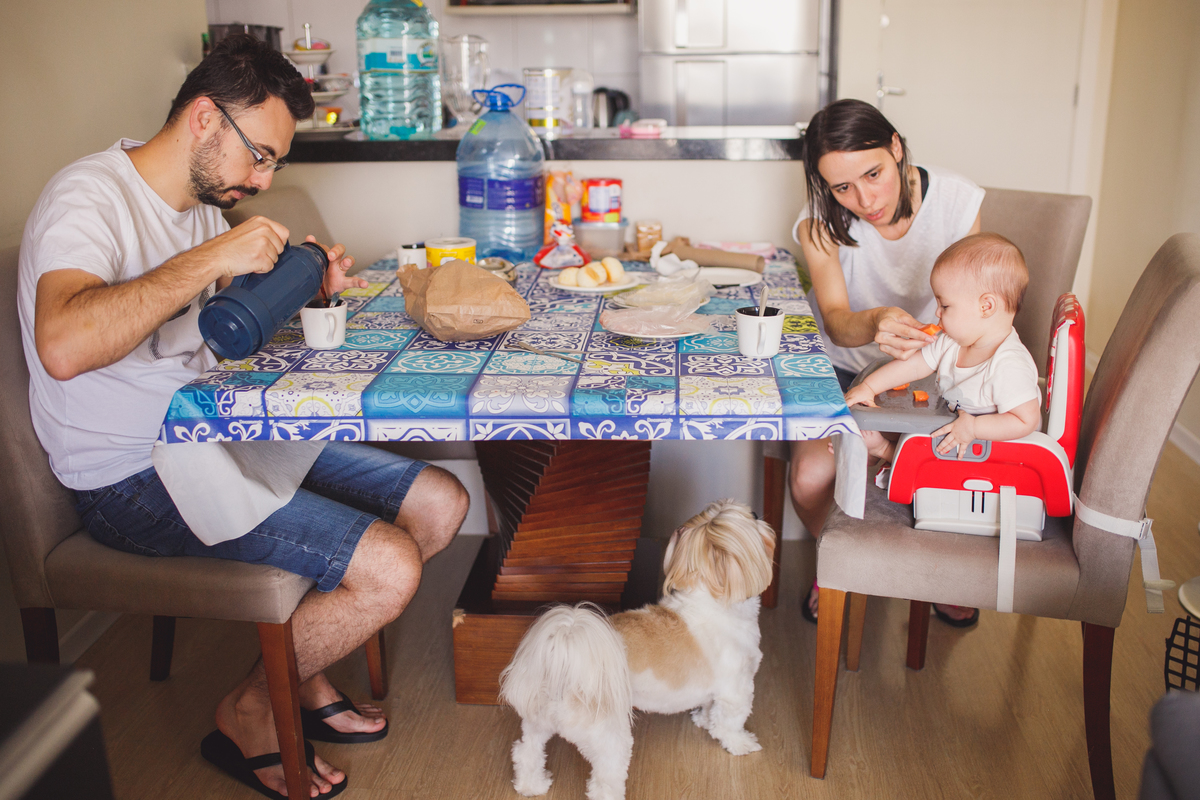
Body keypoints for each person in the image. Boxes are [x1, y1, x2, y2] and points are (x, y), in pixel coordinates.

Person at [17, 35, 469, 799]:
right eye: (258, 156)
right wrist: (210, 259)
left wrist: (306, 290)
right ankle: (254, 707)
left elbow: (213, 336)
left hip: (216, 434)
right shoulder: (87, 198)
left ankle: (299, 673)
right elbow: (62, 343)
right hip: (131, 472)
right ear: (203, 118)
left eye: (272, 165)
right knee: (389, 567)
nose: (261, 179)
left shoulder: (200, 203)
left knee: (440, 502)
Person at [791, 98, 984, 626]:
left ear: (896, 147)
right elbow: (833, 318)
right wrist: (873, 321)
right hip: (842, 365)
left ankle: (939, 574)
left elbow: (976, 308)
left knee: (932, 470)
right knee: (809, 477)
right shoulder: (817, 223)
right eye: (842, 188)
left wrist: (929, 348)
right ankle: (839, 563)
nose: (865, 199)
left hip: (932, 367)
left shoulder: (957, 201)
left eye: (873, 174)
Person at [844, 232, 1041, 464]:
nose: (937, 313)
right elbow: (914, 366)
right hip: (952, 430)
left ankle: (884, 451)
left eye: (945, 305)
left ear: (986, 306)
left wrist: (975, 427)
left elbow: (1025, 420)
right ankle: (884, 451)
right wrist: (869, 386)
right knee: (908, 432)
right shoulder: (952, 342)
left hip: (987, 456)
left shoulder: (1009, 365)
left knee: (926, 458)